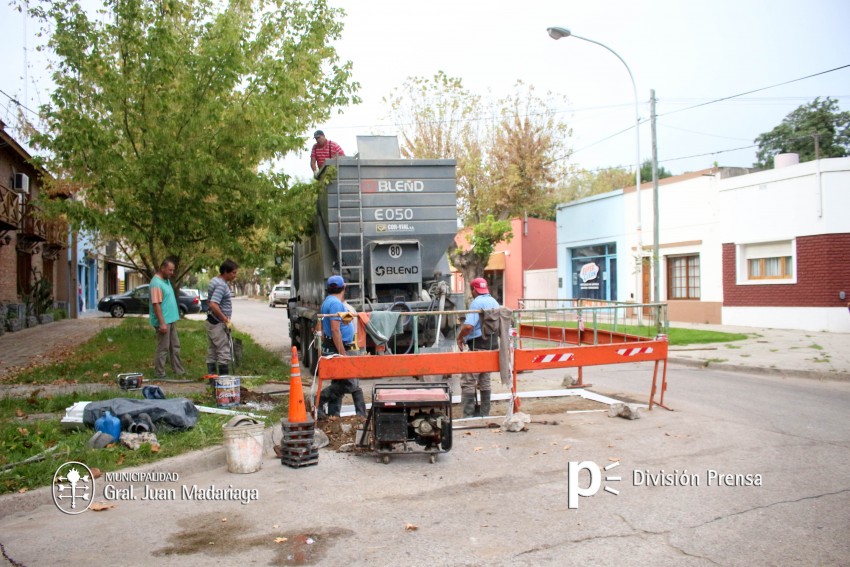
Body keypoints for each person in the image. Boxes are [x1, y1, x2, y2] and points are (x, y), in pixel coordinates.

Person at [316, 275, 367, 419]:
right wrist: (342, 353)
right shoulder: (335, 304)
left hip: (336, 345)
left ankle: (334, 415)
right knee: (350, 383)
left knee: (339, 380)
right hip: (338, 346)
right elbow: (335, 330)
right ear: (344, 287)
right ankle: (319, 399)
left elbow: (340, 323)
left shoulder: (329, 301)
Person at [455, 277, 501, 417]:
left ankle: (468, 415)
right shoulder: (494, 301)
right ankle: (484, 414)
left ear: (474, 290)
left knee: (468, 381)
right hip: (492, 346)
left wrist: (460, 337)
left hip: (478, 345)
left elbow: (468, 326)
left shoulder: (476, 303)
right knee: (485, 380)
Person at [149, 258, 185, 379]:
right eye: (170, 270)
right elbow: (156, 305)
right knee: (163, 347)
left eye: (173, 270)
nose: (172, 273)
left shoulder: (166, 280)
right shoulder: (156, 283)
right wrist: (162, 323)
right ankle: (159, 372)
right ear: (162, 268)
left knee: (175, 346)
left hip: (171, 320)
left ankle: (178, 370)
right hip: (163, 321)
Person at [206, 259, 239, 376]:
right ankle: (224, 380)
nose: (235, 275)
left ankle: (212, 379)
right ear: (225, 271)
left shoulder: (214, 281)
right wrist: (224, 319)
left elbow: (209, 301)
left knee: (213, 351)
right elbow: (213, 304)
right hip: (218, 323)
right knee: (223, 352)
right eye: (233, 272)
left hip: (212, 321)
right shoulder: (221, 285)